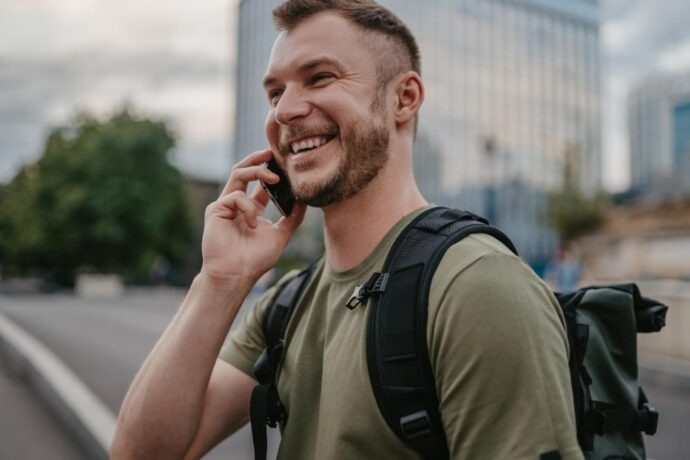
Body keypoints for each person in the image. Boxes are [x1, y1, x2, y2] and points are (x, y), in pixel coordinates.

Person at [111, 1, 583, 459]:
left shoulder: (479, 286)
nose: (284, 112)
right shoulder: (286, 303)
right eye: (275, 93)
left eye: (320, 77)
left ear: (405, 98)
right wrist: (220, 281)